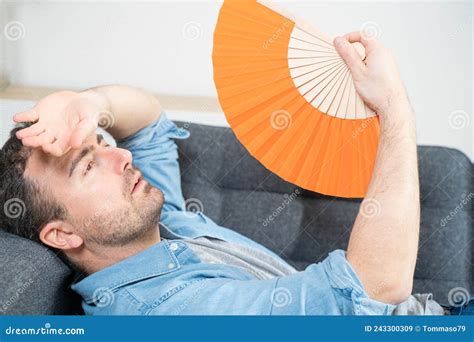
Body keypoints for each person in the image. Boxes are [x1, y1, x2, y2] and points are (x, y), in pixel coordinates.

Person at [0, 32, 456, 315]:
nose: (122, 159)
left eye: (103, 143)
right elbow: (373, 291)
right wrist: (393, 106)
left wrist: (91, 105)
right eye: (88, 166)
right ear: (61, 235)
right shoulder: (168, 310)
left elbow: (146, 123)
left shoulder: (157, 228)